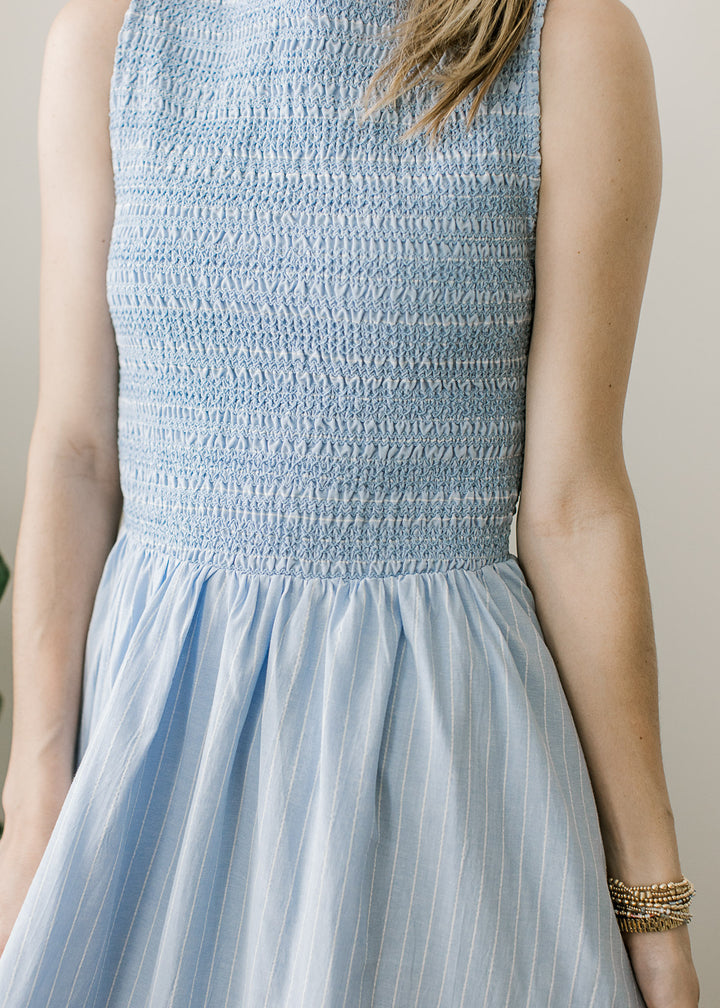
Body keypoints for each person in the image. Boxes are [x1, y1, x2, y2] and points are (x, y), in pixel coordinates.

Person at [0, 0, 701, 1003]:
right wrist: (32, 811)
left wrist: (656, 913)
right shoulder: (111, 39)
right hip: (159, 766)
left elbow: (574, 505)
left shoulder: (571, 43)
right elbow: (74, 456)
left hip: (443, 766)